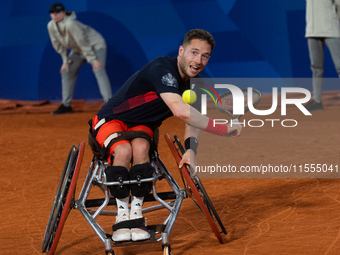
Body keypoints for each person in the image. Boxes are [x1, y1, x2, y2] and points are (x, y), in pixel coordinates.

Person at [89, 29, 242, 242]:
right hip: (111, 120)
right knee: (123, 150)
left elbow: (192, 119)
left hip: (142, 125)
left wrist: (191, 150)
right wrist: (223, 129)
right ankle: (121, 216)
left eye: (205, 56)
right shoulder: (163, 69)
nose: (198, 61)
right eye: (194, 53)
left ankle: (136, 214)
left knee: (141, 149)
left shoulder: (195, 84)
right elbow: (180, 110)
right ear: (181, 51)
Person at [47, 2, 113, 115]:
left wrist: (93, 60)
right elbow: (58, 45)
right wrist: (65, 61)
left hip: (95, 46)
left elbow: (83, 43)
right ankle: (66, 105)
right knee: (66, 71)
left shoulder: (71, 24)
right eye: (52, 12)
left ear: (63, 12)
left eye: (58, 12)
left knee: (98, 69)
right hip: (79, 50)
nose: (55, 15)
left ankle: (110, 105)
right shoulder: (51, 25)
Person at [305, 0, 340, 111]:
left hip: (331, 30)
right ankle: (317, 101)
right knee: (316, 68)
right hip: (312, 32)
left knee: (339, 65)